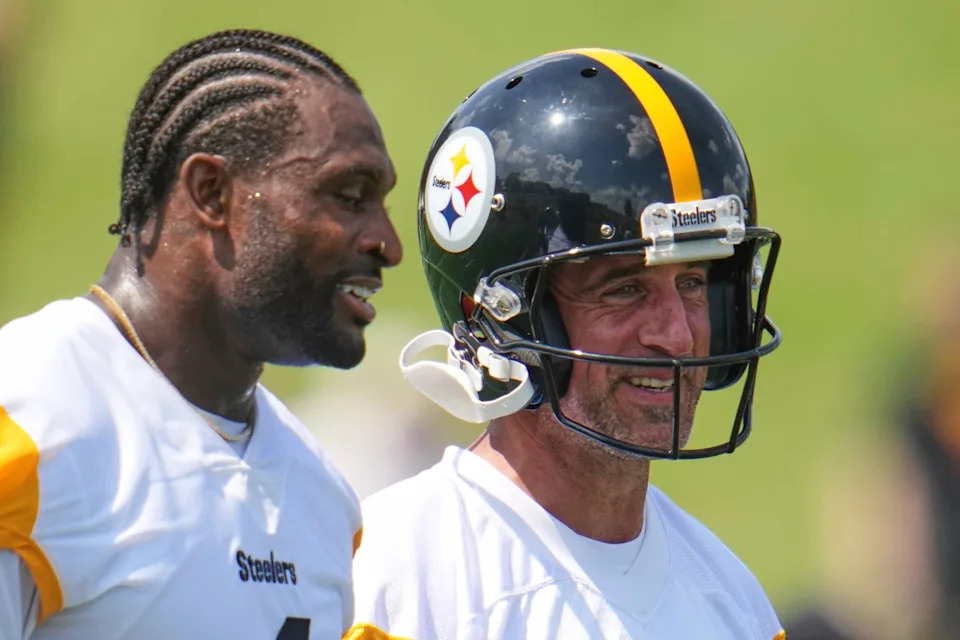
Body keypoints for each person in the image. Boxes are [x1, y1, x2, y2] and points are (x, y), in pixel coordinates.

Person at [352, 48, 786, 639]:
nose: (677, 335)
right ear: (507, 318)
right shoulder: (395, 583)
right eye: (625, 289)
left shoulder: (734, 603)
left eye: (692, 284)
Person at [0, 29, 402, 639]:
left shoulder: (325, 500)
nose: (388, 245)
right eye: (350, 197)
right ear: (212, 193)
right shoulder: (29, 424)